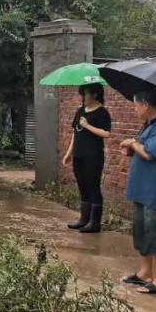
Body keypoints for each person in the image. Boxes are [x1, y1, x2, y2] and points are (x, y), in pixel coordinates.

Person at [119, 88, 156, 295]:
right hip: (142, 190)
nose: (134, 109)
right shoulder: (149, 125)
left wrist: (133, 143)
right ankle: (145, 273)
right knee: (142, 232)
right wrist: (131, 147)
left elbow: (150, 154)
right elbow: (141, 149)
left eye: (136, 105)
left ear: (146, 105)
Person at [61, 82, 112, 232]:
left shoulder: (102, 113)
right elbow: (75, 134)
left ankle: (95, 223)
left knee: (93, 186)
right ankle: (84, 218)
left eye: (85, 94)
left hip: (93, 157)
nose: (83, 97)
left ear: (95, 95)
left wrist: (88, 125)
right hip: (79, 155)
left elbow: (106, 134)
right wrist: (69, 153)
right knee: (82, 186)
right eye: (82, 94)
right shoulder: (80, 111)